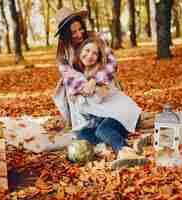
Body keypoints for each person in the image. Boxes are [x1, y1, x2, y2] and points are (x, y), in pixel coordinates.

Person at [53, 7, 147, 168]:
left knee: (102, 130)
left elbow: (111, 65)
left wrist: (95, 81)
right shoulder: (63, 55)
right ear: (65, 35)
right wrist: (84, 86)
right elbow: (74, 82)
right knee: (81, 134)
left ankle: (125, 150)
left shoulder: (95, 40)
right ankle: (125, 139)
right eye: (73, 32)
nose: (79, 34)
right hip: (95, 109)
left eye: (80, 29)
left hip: (112, 105)